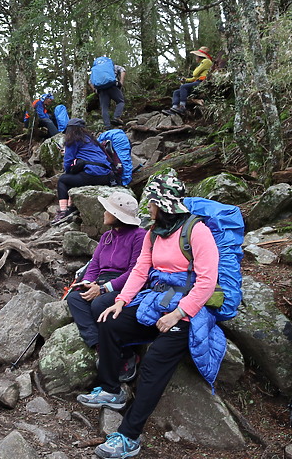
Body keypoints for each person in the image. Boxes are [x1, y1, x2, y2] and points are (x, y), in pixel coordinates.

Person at [78, 172, 222, 459]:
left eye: (152, 203)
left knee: (155, 361)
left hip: (188, 306)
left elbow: (206, 281)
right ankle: (111, 389)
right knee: (110, 321)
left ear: (162, 202)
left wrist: (179, 313)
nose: (149, 209)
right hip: (155, 301)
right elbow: (141, 270)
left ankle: (130, 436)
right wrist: (120, 301)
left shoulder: (196, 231)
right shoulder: (154, 233)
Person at [66, 192, 146, 382]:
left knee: (99, 304)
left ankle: (126, 353)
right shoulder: (107, 237)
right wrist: (87, 283)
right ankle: (102, 347)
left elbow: (135, 271)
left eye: (108, 210)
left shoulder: (139, 236)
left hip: (124, 284)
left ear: (117, 216)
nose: (104, 213)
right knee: (75, 298)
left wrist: (104, 289)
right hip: (101, 281)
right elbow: (94, 265)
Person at [51, 118, 112, 225]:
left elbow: (68, 162)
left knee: (63, 180)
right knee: (76, 175)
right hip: (106, 176)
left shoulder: (72, 140)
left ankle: (64, 211)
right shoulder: (91, 140)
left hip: (92, 175)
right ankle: (71, 205)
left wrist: (68, 170)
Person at [166, 47, 214, 115]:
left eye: (196, 56)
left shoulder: (206, 61)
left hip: (202, 83)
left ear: (200, 56)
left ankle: (182, 107)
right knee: (176, 92)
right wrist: (186, 80)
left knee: (183, 87)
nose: (195, 58)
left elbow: (195, 73)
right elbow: (194, 78)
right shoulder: (202, 63)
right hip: (197, 82)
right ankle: (174, 108)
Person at [91, 63, 126, 129]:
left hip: (101, 90)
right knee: (120, 101)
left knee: (104, 108)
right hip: (113, 86)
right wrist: (121, 82)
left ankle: (107, 126)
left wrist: (95, 90)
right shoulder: (111, 66)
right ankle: (116, 117)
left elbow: (90, 81)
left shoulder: (96, 71)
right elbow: (123, 70)